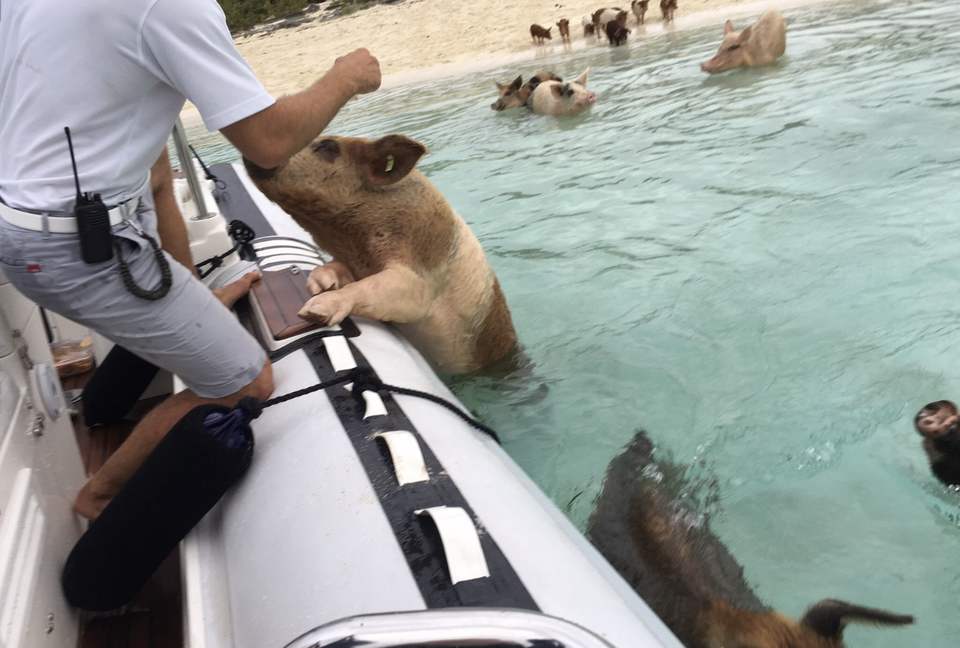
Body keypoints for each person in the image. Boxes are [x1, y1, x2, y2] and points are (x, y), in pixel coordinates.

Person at [0, 0, 381, 520]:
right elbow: (269, 143)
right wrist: (345, 78)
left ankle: (190, 308)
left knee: (181, 279)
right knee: (244, 381)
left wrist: (193, 295)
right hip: (76, 247)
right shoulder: (173, 6)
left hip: (25, 228)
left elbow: (156, 175)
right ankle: (101, 494)